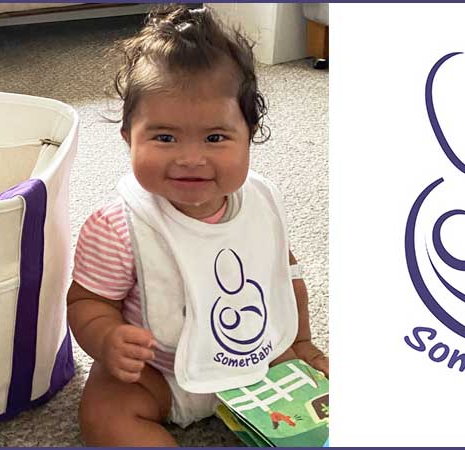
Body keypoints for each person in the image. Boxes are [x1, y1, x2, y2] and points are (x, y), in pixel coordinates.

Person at [66, 5, 328, 446]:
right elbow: (86, 302)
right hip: (159, 373)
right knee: (104, 414)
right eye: (164, 138)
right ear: (129, 137)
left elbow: (286, 278)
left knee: (324, 414)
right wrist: (108, 339)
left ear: (250, 134)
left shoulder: (260, 203)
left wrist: (300, 343)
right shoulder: (119, 225)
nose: (190, 157)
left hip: (256, 356)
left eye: (215, 137)